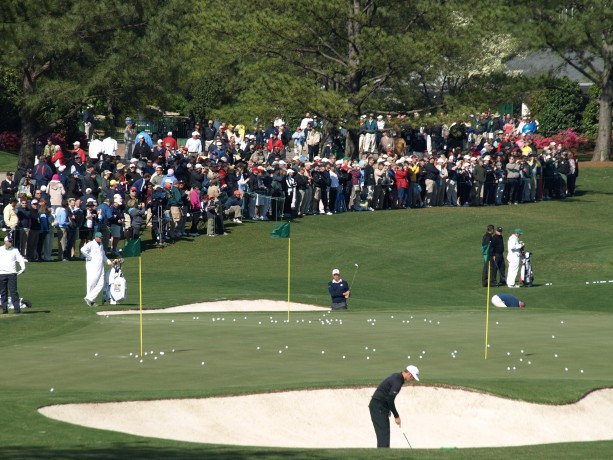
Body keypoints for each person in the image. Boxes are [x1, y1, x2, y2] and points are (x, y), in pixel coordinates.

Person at [369, 365, 420, 448]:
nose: (412, 380)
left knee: (384, 434)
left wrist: (388, 409)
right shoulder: (398, 381)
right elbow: (390, 399)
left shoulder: (397, 376)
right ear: (410, 374)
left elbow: (387, 397)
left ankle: (383, 454)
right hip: (378, 407)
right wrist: (396, 416)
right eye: (413, 377)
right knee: (383, 434)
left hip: (380, 407)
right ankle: (383, 455)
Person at [81, 231, 112, 307]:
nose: (101, 239)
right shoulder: (91, 243)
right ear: (96, 237)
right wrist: (89, 257)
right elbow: (82, 250)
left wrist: (108, 262)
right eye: (100, 238)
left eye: (102, 237)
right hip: (92, 266)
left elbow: (103, 255)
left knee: (101, 284)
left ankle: (90, 298)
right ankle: (91, 301)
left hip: (100, 266)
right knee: (92, 283)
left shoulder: (101, 245)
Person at [0, 235, 27, 314]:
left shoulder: (15, 250)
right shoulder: (0, 249)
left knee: (13, 292)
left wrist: (23, 268)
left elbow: (20, 260)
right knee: (3, 292)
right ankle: (5, 309)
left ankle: (17, 309)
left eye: (11, 241)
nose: (11, 243)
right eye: (9, 241)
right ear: (5, 242)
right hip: (2, 273)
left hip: (12, 274)